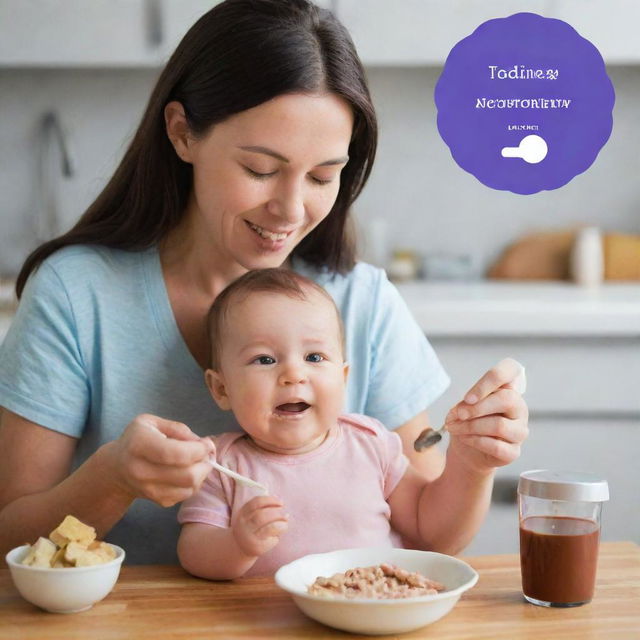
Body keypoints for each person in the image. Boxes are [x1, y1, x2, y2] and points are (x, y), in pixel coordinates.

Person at [0, 0, 528, 564]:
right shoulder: (77, 294)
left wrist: (474, 461)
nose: (290, 210)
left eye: (324, 176)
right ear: (182, 134)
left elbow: (429, 534)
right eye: (260, 169)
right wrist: (111, 478)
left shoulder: (362, 301)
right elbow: (9, 538)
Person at [177, 269, 528, 578]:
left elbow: (430, 528)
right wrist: (238, 544)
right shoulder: (220, 464)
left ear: (343, 377)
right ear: (221, 388)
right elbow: (192, 551)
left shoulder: (371, 442)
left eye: (315, 357)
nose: (294, 374)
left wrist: (471, 463)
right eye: (265, 359)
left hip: (371, 614)